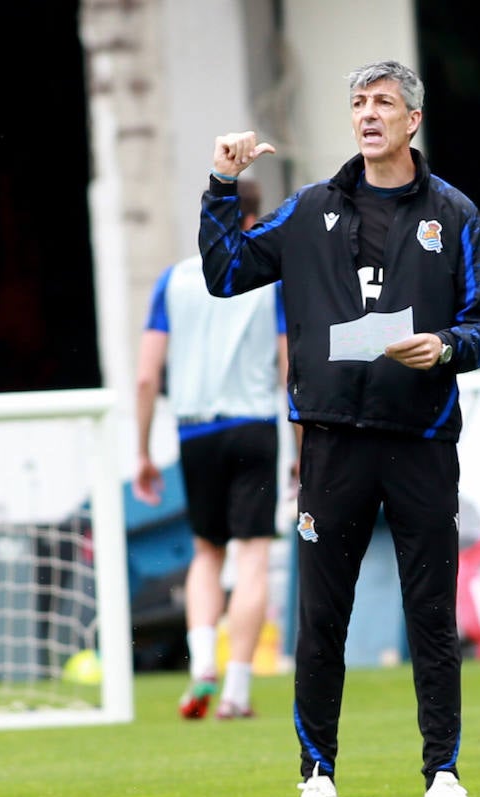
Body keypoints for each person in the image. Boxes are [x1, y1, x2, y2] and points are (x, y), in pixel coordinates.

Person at [198, 60, 480, 797]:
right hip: (332, 444)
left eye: (384, 104)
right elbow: (225, 270)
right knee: (321, 620)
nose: (369, 114)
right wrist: (220, 185)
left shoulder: (455, 214)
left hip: (423, 442)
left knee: (431, 615)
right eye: (359, 103)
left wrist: (443, 348)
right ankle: (317, 779)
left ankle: (443, 778)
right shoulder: (308, 211)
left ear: (413, 121)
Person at [133, 179, 288, 721]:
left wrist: (142, 451)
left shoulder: (174, 280)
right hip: (252, 424)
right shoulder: (271, 281)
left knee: (206, 552)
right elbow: (290, 368)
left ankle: (202, 665)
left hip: (195, 430)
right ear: (254, 221)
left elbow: (147, 378)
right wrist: (300, 446)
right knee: (254, 556)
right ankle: (238, 690)